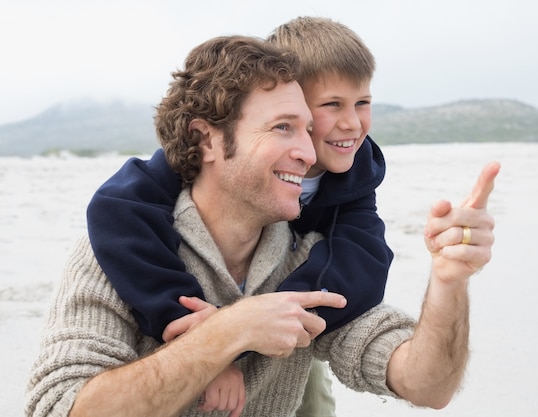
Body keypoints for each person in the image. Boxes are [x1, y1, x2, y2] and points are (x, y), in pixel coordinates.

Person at [26, 35, 500, 417]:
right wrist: (223, 336)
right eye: (282, 128)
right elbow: (58, 410)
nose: (311, 153)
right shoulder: (118, 244)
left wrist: (448, 282)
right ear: (205, 139)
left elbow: (428, 385)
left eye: (305, 129)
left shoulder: (311, 257)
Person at [85, 16, 391, 417]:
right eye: (332, 104)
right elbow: (116, 213)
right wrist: (205, 332)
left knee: (315, 401)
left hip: (285, 306)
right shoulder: (197, 165)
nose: (352, 123)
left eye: (362, 103)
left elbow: (363, 263)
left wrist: (270, 317)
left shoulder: (356, 174)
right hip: (203, 301)